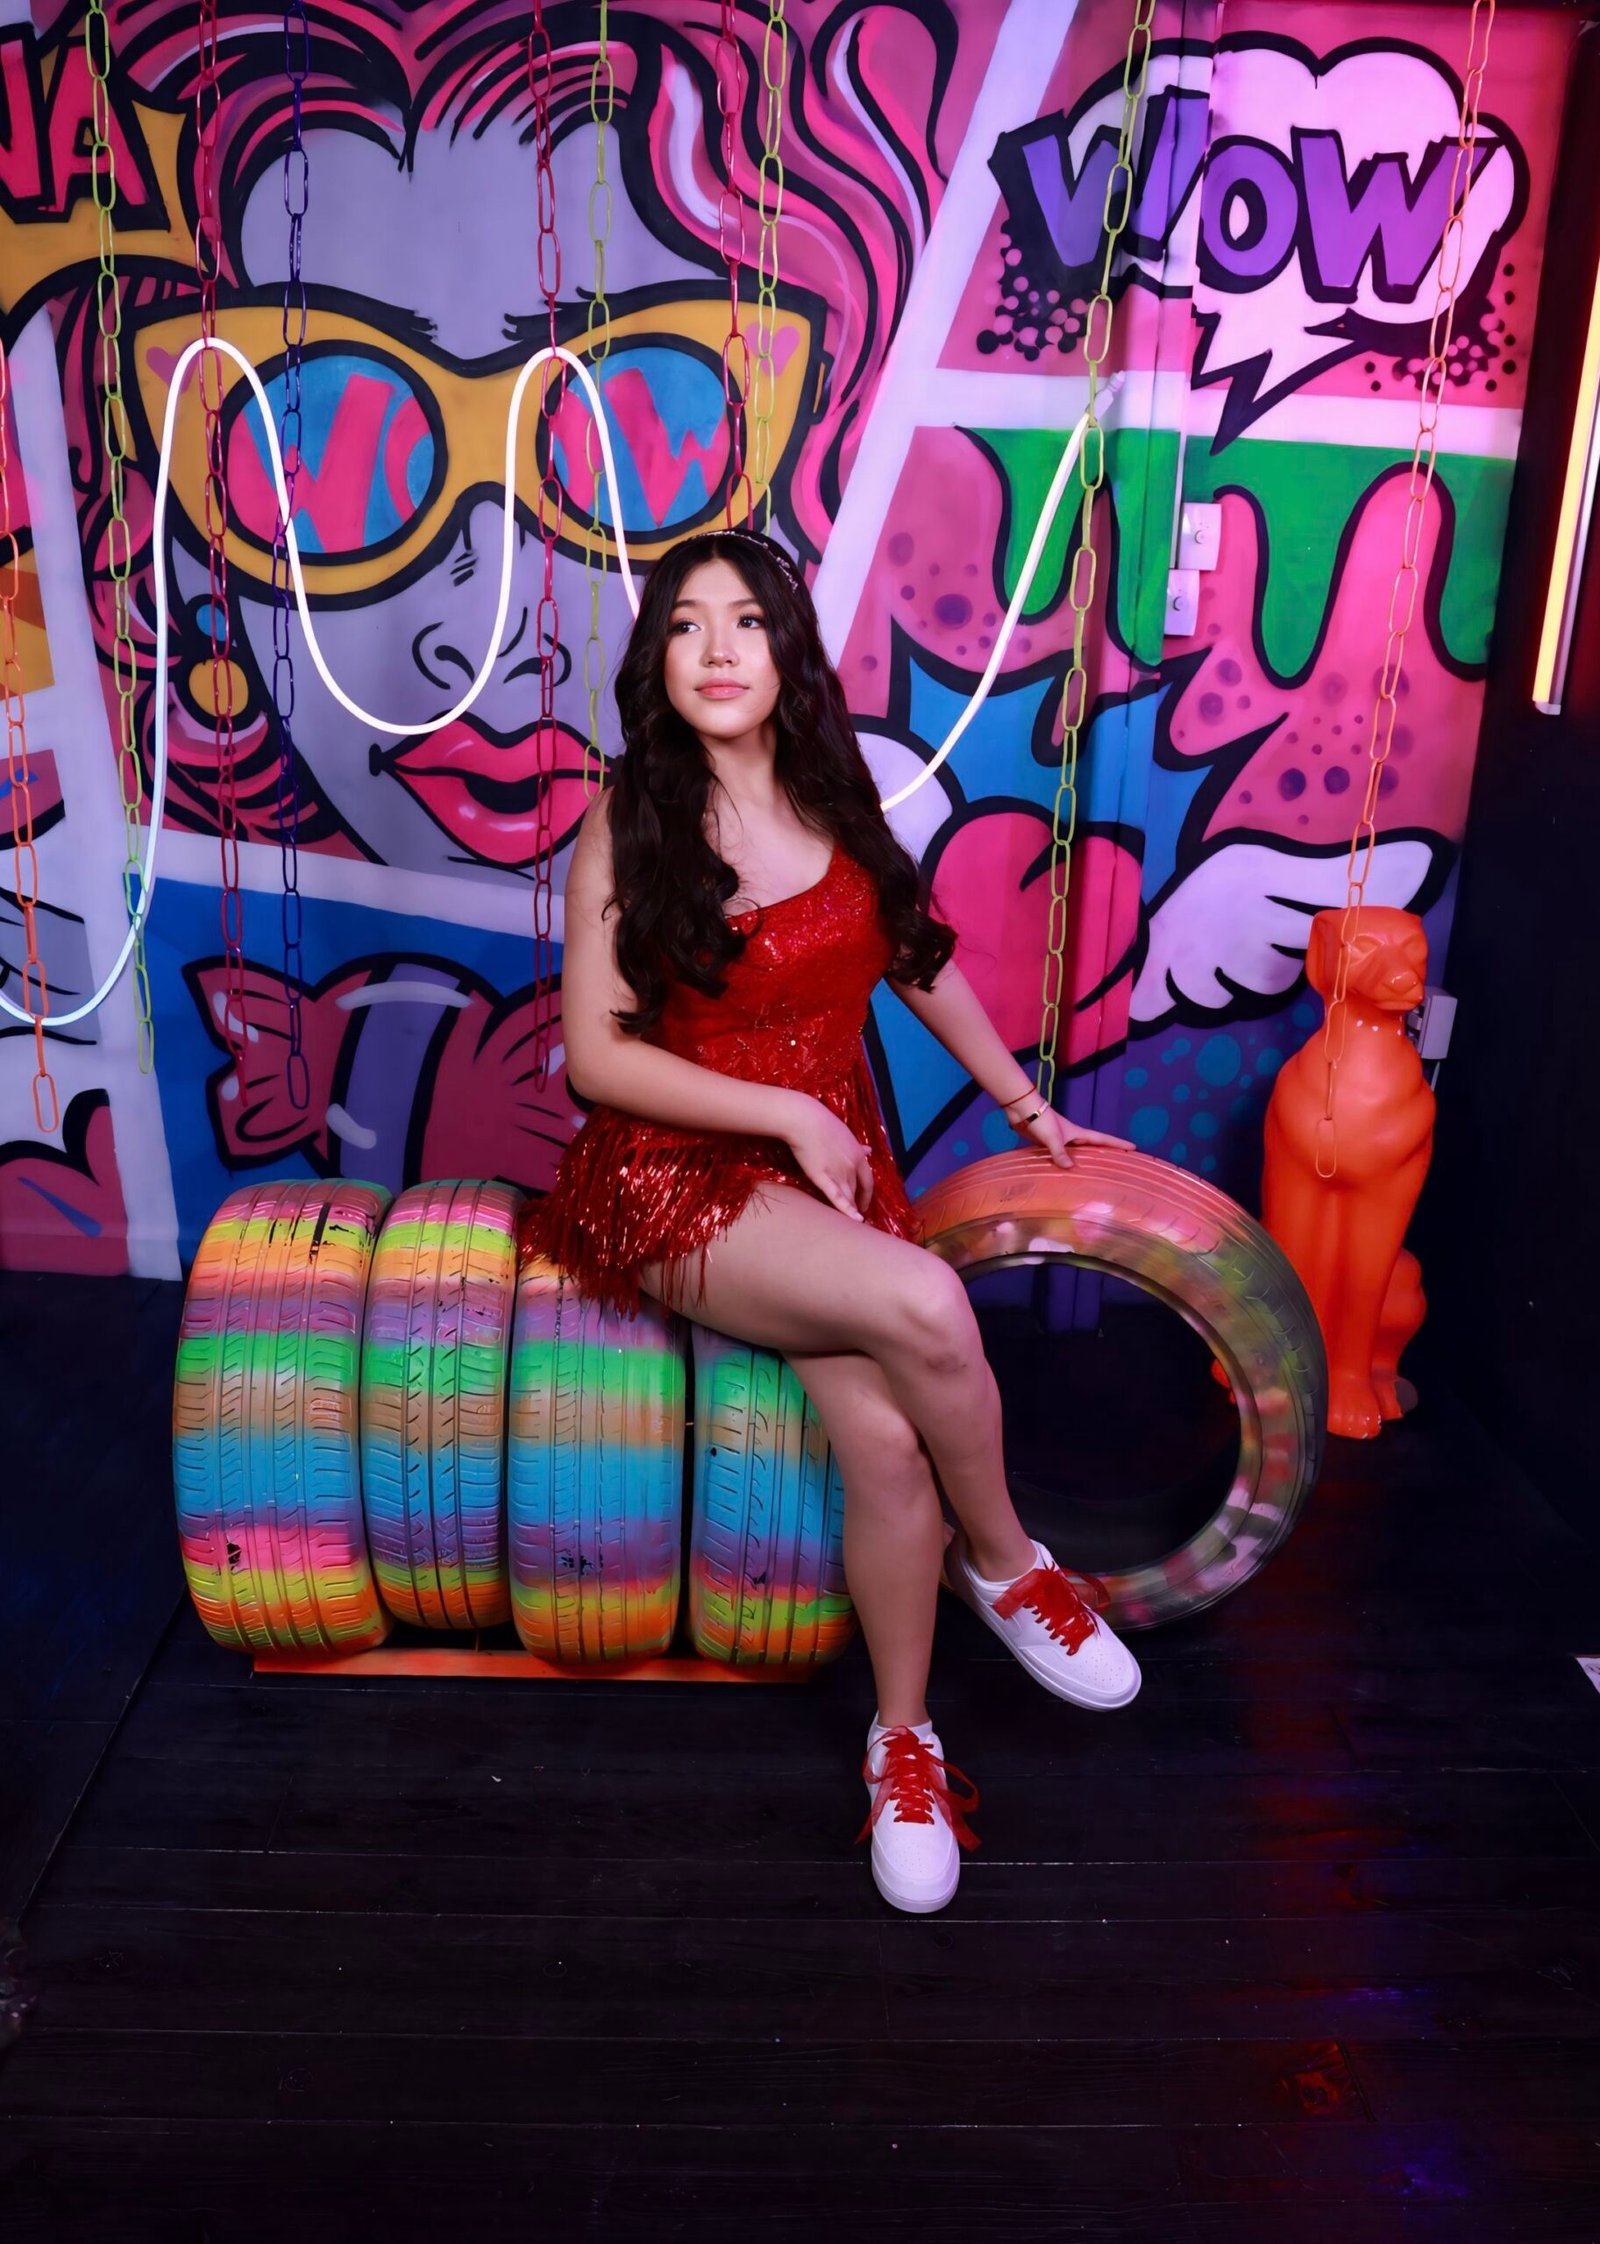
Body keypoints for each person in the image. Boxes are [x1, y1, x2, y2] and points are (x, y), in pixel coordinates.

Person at [531, 525, 1142, 1916]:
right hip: (677, 1177)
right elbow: (597, 1058)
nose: (717, 649)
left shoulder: (832, 787)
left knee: (886, 1440)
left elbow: (913, 956)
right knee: (928, 1303)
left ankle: (903, 1743)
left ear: (787, 651)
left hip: (823, 1184)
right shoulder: (628, 820)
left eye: (746, 621)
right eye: (686, 625)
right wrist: (790, 1116)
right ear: (657, 658)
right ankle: (1012, 1568)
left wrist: (1024, 1105)